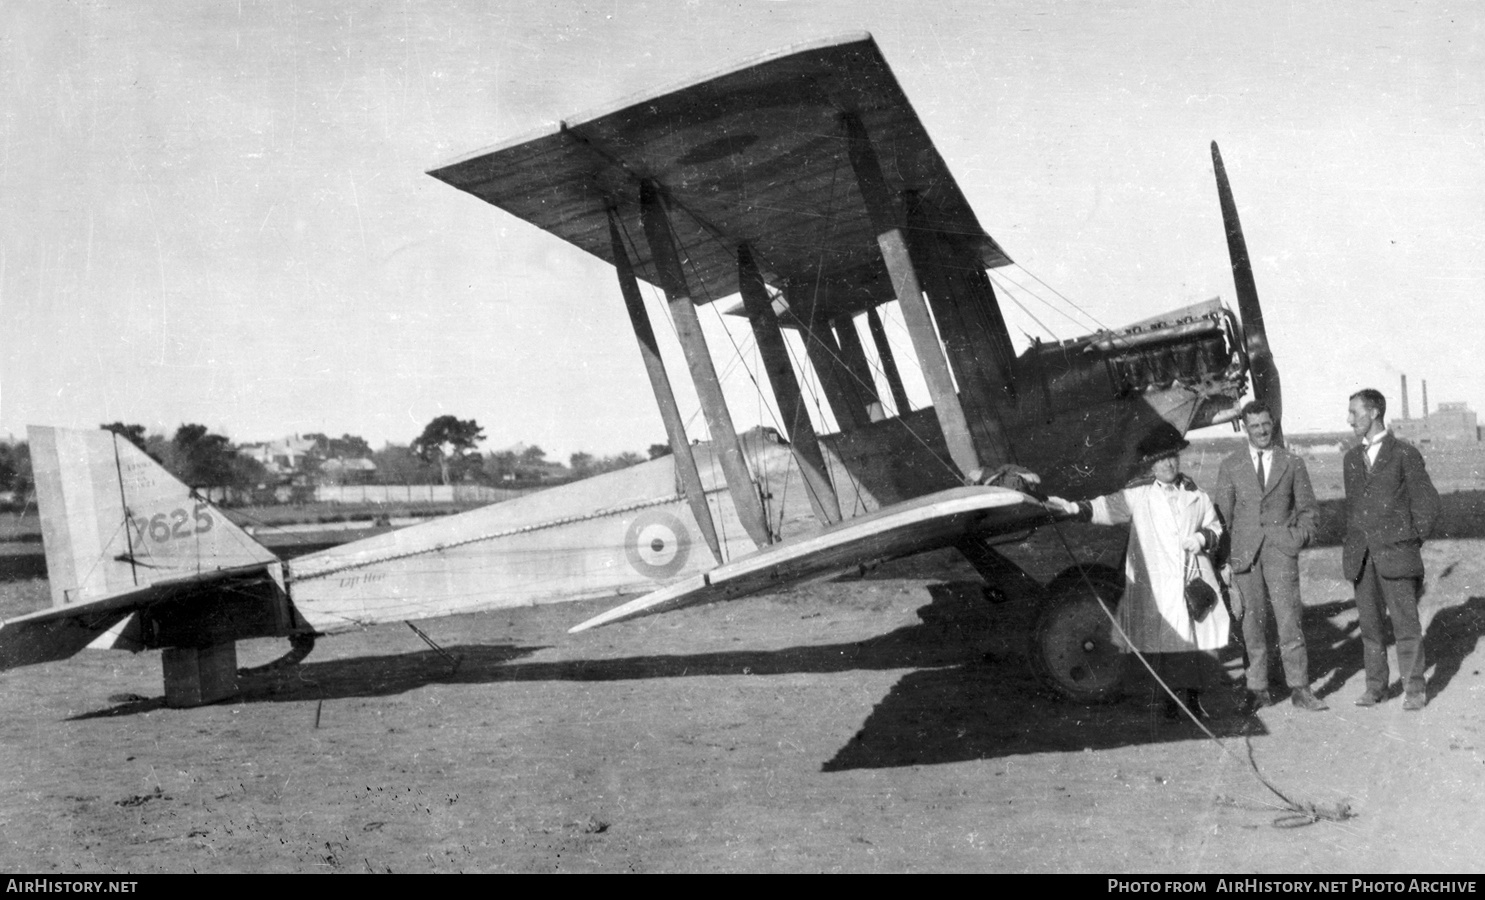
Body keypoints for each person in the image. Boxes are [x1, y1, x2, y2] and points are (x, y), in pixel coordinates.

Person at [1049, 423, 1230, 719]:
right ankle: (1171, 704)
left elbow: (1215, 526)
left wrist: (1201, 538)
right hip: (1157, 583)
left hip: (1192, 578)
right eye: (1160, 459)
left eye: (1171, 456)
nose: (1168, 464)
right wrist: (1072, 509)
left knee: (1197, 646)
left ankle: (1195, 701)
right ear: (1151, 465)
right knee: (1166, 644)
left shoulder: (1196, 493)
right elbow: (1104, 508)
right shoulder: (1139, 495)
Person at [1213, 400, 1324, 714]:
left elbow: (1309, 511)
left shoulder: (1292, 462)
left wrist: (1295, 539)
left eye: (1266, 424)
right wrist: (1225, 562)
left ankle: (1300, 688)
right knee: (1251, 624)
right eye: (1254, 426)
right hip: (1244, 556)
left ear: (1272, 424)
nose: (1261, 431)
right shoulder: (1230, 465)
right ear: (1245, 428)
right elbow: (1222, 517)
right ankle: (1257, 689)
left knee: (1290, 621)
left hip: (1280, 552)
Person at [1344, 388, 1440, 711]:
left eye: (1354, 413)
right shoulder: (1350, 459)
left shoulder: (1404, 454)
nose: (1349, 420)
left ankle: (1414, 689)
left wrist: (1408, 542)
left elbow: (1428, 505)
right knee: (1370, 629)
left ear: (1373, 413)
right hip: (1362, 559)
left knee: (1405, 626)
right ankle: (1376, 687)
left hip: (1397, 557)